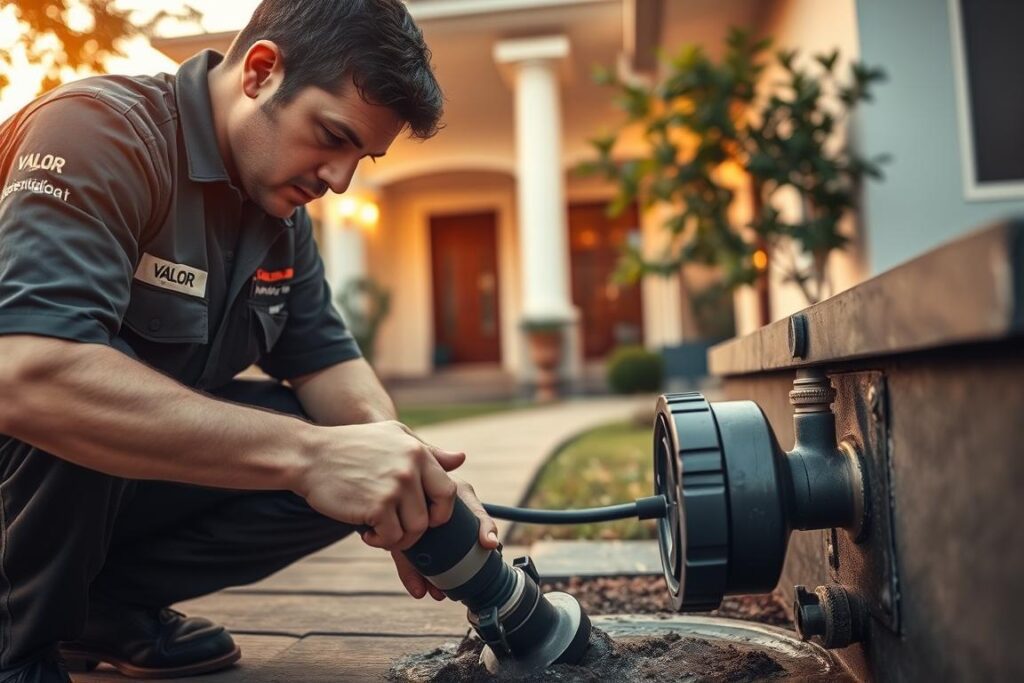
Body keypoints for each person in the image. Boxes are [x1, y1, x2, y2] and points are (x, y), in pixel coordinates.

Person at [0, 1, 499, 681]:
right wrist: (308, 456)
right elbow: (27, 373)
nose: (340, 180)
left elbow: (333, 372)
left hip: (89, 502)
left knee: (364, 454)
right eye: (332, 136)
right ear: (261, 72)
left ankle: (98, 609)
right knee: (82, 386)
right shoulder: (101, 132)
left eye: (362, 156)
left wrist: (416, 482)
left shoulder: (277, 214)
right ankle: (17, 643)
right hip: (21, 447)